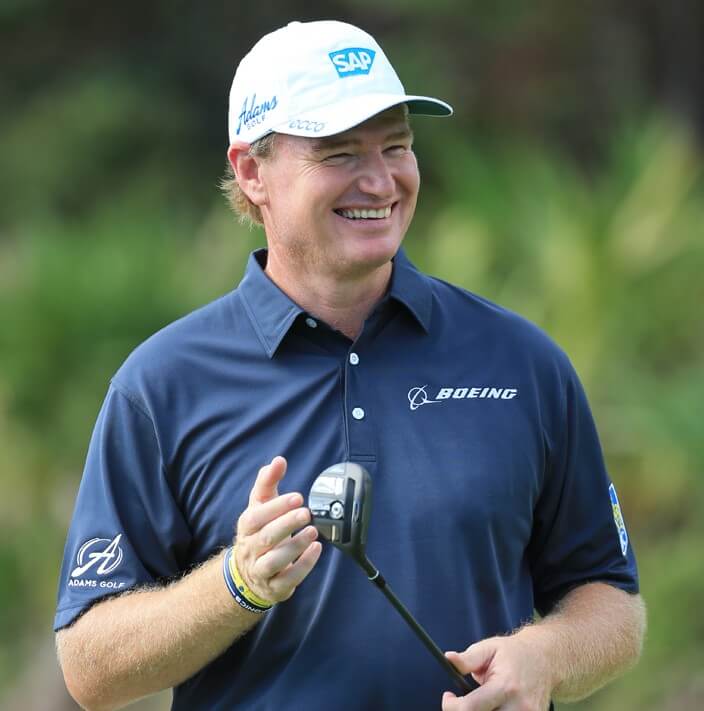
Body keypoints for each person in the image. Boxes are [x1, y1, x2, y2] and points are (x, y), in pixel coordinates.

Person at [55, 19, 645, 711]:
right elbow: (90, 667)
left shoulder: (522, 361)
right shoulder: (161, 385)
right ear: (251, 172)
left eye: (396, 146)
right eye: (339, 153)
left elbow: (613, 602)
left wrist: (545, 656)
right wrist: (236, 586)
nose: (380, 179)